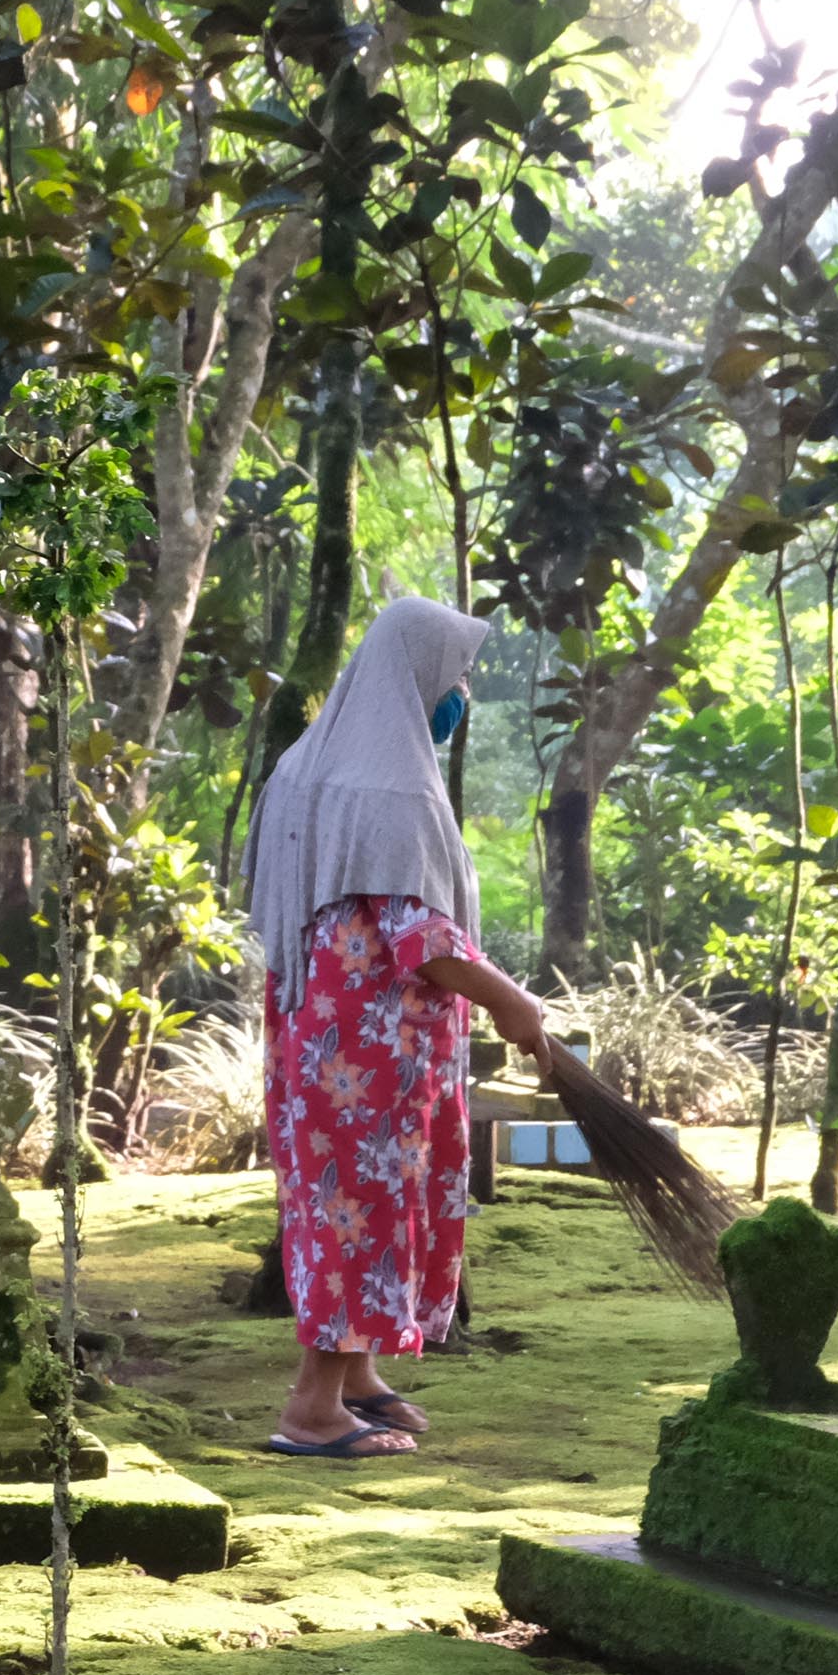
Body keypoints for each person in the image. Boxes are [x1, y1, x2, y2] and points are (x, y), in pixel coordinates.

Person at [242, 597, 556, 1462]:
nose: (459, 692)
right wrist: (509, 1000)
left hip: (319, 1042)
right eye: (454, 674)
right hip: (368, 1055)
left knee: (343, 1206)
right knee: (359, 1208)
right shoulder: (390, 786)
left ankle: (355, 1377)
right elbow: (420, 939)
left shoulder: (310, 765)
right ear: (415, 671)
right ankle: (312, 1409)